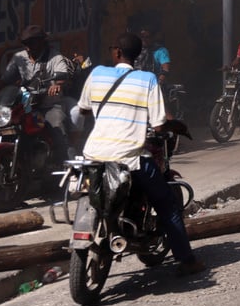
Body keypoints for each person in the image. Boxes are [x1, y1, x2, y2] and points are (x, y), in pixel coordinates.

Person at [76, 32, 206, 277]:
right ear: (138, 55)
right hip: (130, 159)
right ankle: (187, 261)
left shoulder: (97, 73)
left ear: (116, 52)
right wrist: (177, 125)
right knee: (167, 205)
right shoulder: (147, 79)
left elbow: (83, 110)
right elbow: (158, 125)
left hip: (92, 155)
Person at [0, 25, 74, 163]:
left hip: (49, 106)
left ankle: (66, 167)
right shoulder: (19, 58)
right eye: (25, 43)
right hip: (26, 106)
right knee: (2, 123)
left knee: (57, 127)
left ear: (41, 41)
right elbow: (5, 80)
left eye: (32, 42)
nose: (28, 46)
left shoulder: (55, 57)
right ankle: (3, 160)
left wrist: (57, 85)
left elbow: (62, 76)